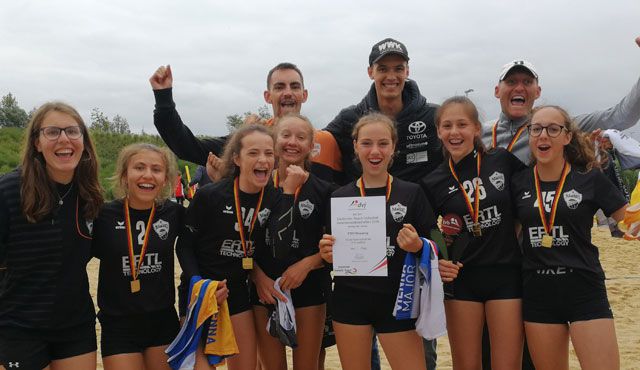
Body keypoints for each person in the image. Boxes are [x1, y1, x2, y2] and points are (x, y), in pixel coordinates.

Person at [324, 37, 441, 369]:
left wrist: (425, 246)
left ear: (394, 147)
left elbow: (438, 238)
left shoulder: (413, 191)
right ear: (355, 147)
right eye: (366, 144)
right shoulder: (340, 197)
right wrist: (325, 251)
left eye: (398, 68)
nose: (374, 151)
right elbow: (312, 143)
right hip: (351, 297)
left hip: (401, 296)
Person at [511, 105, 627, 370]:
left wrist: (634, 226)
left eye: (554, 129)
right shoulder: (518, 183)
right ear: (529, 135)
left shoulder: (589, 179)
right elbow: (507, 235)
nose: (544, 135)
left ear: (567, 137)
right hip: (538, 293)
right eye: (536, 129)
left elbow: (628, 220)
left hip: (584, 289)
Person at [421, 97, 526, 370]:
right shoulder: (434, 181)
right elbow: (430, 228)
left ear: (477, 129)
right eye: (447, 126)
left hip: (505, 274)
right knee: (466, 365)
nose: (454, 132)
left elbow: (527, 200)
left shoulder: (501, 160)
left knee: (507, 364)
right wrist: (442, 256)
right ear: (438, 132)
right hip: (463, 280)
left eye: (462, 124)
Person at [176, 124, 291, 370]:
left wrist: (259, 275)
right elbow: (184, 245)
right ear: (237, 158)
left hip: (236, 293)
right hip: (200, 292)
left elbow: (263, 249)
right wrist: (198, 283)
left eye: (269, 153)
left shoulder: (274, 198)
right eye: (253, 153)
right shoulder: (210, 196)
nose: (262, 159)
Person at [0, 102, 103, 369]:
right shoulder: (9, 190)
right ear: (36, 143)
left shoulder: (89, 194)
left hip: (75, 326)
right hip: (18, 327)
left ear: (83, 140)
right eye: (53, 132)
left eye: (72, 131)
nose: (64, 139)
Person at [91, 143, 194, 370]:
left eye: (156, 169)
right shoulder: (102, 215)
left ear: (166, 179)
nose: (148, 175)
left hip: (162, 320)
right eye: (139, 167)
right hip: (118, 324)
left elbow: (202, 244)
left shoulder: (174, 213)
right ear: (124, 175)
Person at [150, 63, 342, 183]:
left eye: (295, 86)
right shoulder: (251, 137)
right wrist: (164, 99)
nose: (288, 92)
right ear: (268, 96)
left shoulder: (326, 142)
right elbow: (187, 147)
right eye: (279, 87)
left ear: (304, 95)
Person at [250, 114, 333, 370]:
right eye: (285, 135)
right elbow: (241, 242)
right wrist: (257, 277)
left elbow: (338, 246)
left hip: (310, 288)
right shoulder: (257, 187)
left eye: (301, 137)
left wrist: (307, 264)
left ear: (311, 146)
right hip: (265, 289)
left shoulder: (326, 190)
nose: (292, 142)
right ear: (275, 141)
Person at [484, 36, 640, 164]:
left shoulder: (559, 128)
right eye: (511, 81)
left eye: (527, 82)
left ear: (538, 92)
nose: (519, 88)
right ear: (497, 91)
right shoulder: (476, 133)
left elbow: (621, 117)